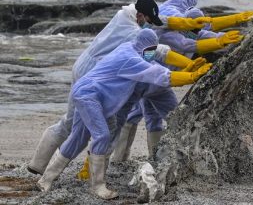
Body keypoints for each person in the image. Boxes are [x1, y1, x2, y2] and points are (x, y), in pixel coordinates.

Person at [28, 0, 212, 175]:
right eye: (148, 20)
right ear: (140, 15)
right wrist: (188, 69)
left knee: (74, 122)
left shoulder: (124, 15)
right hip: (92, 73)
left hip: (86, 67)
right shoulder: (132, 33)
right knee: (92, 125)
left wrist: (188, 29)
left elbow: (163, 23)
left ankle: (39, 165)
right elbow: (158, 53)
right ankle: (76, 170)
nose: (150, 24)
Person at [37, 29, 212, 200]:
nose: (152, 53)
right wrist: (191, 77)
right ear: (143, 47)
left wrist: (187, 67)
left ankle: (45, 180)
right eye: (150, 50)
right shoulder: (130, 59)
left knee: (79, 137)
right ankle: (97, 186)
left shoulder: (130, 46)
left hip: (84, 91)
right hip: (89, 95)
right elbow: (157, 73)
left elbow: (158, 57)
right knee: (102, 135)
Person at [111, 7, 250, 162]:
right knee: (164, 117)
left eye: (197, 30)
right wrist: (192, 73)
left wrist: (242, 38)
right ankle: (121, 159)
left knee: (155, 118)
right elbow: (186, 45)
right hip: (152, 81)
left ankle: (153, 158)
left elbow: (211, 33)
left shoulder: (196, 33)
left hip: (159, 84)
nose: (195, 33)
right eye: (192, 29)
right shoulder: (170, 34)